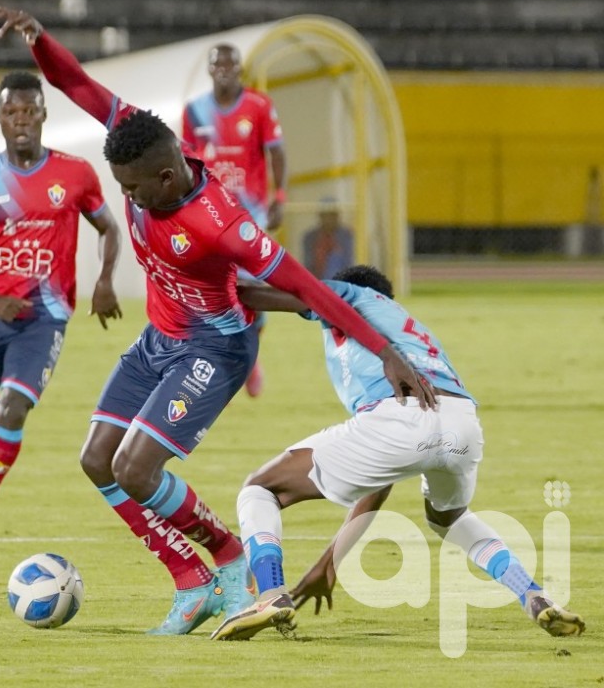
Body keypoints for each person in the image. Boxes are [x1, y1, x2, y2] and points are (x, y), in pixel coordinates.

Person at [0, 5, 435, 636]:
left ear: (167, 178)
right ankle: (190, 579)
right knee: (96, 461)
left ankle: (227, 561)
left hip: (213, 350)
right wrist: (40, 42)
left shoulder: (223, 224)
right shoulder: (138, 139)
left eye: (136, 191)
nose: (130, 200)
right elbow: (79, 87)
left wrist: (385, 350)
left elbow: (306, 286)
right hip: (158, 339)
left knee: (135, 470)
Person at [210, 265, 586, 641]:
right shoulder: (406, 324)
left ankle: (272, 594)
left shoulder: (350, 294)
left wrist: (194, 274)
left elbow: (257, 292)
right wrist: (330, 563)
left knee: (261, 489)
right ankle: (532, 592)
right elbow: (383, 477)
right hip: (461, 421)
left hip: (399, 417)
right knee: (450, 518)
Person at [0, 71, 122, 539]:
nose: (21, 119)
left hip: (47, 315)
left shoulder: (76, 173)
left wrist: (104, 279)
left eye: (29, 110)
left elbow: (108, 227)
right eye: (11, 112)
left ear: (43, 113)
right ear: (0, 118)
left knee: (16, 407)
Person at [182, 44, 287, 398]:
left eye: (231, 63)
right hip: (209, 212)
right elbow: (186, 161)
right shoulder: (194, 111)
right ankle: (220, 357)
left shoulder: (258, 106)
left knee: (250, 285)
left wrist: (280, 197)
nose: (225, 69)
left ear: (240, 69)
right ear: (209, 70)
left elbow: (277, 152)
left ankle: (250, 354)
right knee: (212, 286)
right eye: (218, 63)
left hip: (250, 214)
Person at [302, 200, 354, 279]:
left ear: (337, 216)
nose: (329, 219)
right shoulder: (310, 237)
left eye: (332, 215)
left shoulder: (346, 236)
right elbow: (307, 264)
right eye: (326, 215)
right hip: (316, 281)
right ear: (320, 216)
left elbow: (349, 262)